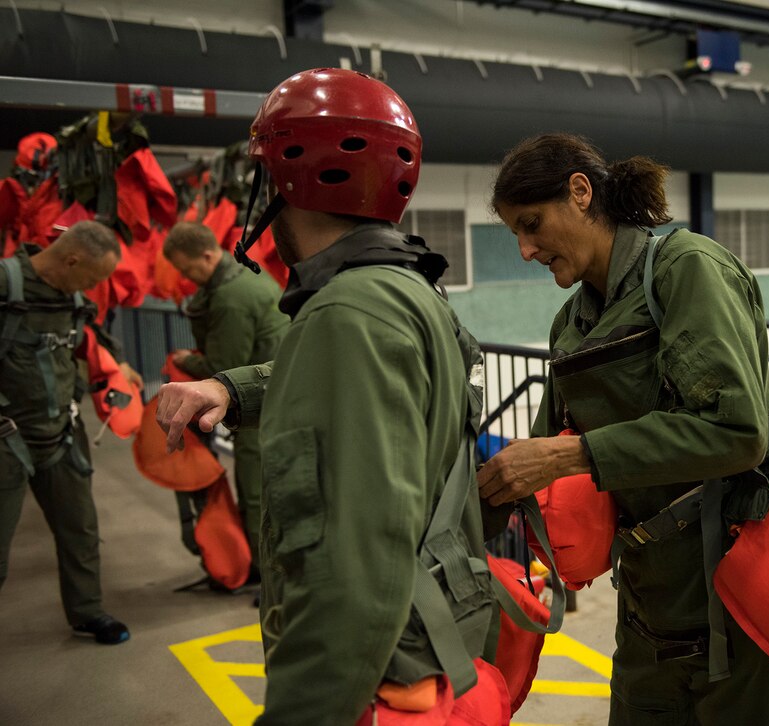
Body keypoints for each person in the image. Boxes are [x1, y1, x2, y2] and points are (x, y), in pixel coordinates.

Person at [154, 69, 504, 724]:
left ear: (284, 181)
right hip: (427, 641)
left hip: (380, 674)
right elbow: (338, 372)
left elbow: (352, 573)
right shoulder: (399, 288)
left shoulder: (349, 314)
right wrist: (228, 387)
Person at [476, 133, 769, 725]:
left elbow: (737, 432)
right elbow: (545, 456)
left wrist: (573, 457)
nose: (525, 250)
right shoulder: (574, 320)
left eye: (531, 225)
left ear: (580, 193)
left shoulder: (687, 269)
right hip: (646, 621)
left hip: (739, 616)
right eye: (514, 232)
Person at [0, 219, 142, 645]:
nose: (97, 286)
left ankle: (87, 611)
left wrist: (119, 367)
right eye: (94, 276)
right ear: (71, 259)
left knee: (79, 528)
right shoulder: (6, 286)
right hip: (7, 438)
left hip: (61, 432)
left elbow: (89, 339)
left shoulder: (74, 297)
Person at [163, 221, 288, 564]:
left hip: (260, 403)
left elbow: (223, 365)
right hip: (275, 389)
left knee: (255, 490)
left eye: (188, 269)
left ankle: (261, 573)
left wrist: (185, 360)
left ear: (206, 256)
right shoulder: (245, 273)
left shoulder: (231, 299)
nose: (187, 277)